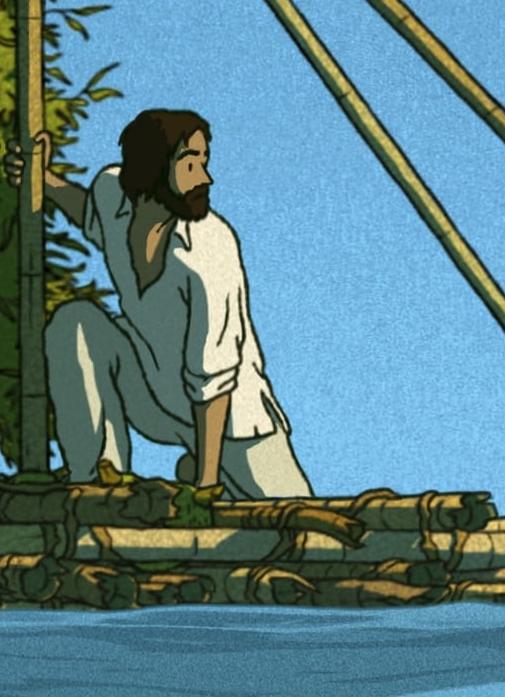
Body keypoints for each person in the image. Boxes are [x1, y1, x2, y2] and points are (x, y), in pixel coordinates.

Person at [36, 106, 311, 499]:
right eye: (190, 163)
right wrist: (43, 179)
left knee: (298, 522)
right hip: (156, 394)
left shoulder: (210, 249)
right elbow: (90, 215)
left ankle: (203, 473)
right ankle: (95, 479)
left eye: (204, 162)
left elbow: (214, 377)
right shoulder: (112, 194)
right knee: (74, 323)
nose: (205, 178)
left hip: (232, 424)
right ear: (153, 166)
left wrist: (206, 484)